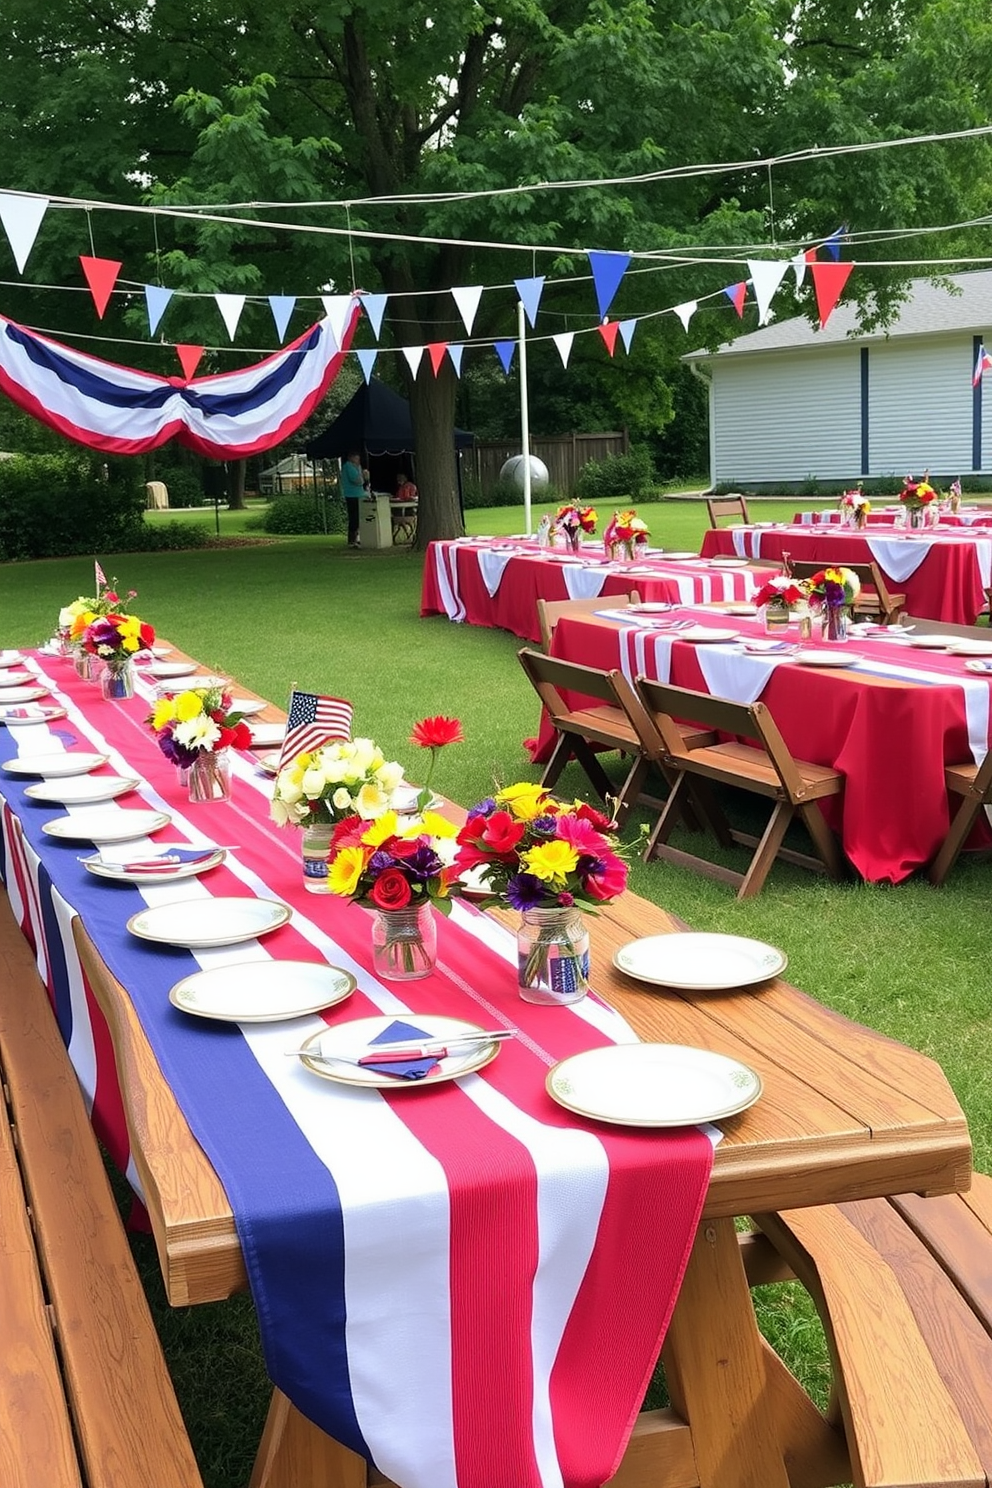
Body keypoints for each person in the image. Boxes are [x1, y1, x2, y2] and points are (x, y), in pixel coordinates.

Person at [340, 450, 365, 546]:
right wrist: (363, 476)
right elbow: (357, 480)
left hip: (359, 494)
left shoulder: (357, 467)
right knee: (354, 518)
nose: (358, 460)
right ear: (351, 458)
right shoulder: (348, 467)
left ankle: (357, 537)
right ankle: (352, 540)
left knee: (358, 518)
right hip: (352, 495)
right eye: (356, 458)